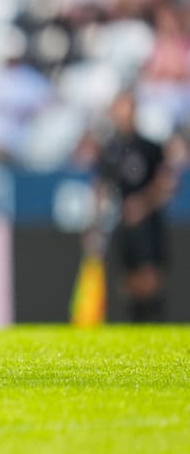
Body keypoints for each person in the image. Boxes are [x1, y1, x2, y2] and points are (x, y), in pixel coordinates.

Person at [94, 90, 177, 322]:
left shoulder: (149, 147)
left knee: (149, 277)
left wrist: (143, 204)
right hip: (122, 222)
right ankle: (136, 325)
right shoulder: (110, 150)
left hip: (148, 222)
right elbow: (101, 186)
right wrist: (98, 219)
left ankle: (156, 325)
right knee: (127, 280)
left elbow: (166, 183)